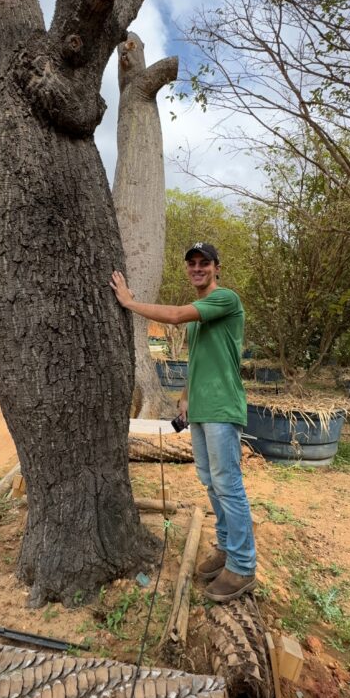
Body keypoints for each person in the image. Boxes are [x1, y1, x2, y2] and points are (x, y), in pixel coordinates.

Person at [110, 242, 256, 601]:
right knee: (210, 481)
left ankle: (242, 565)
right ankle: (225, 548)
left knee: (228, 483)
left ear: (216, 267)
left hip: (223, 408)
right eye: (191, 263)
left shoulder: (226, 299)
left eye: (204, 263)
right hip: (203, 409)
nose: (197, 268)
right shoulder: (201, 316)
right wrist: (187, 398)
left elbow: (175, 315)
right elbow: (199, 360)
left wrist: (129, 302)